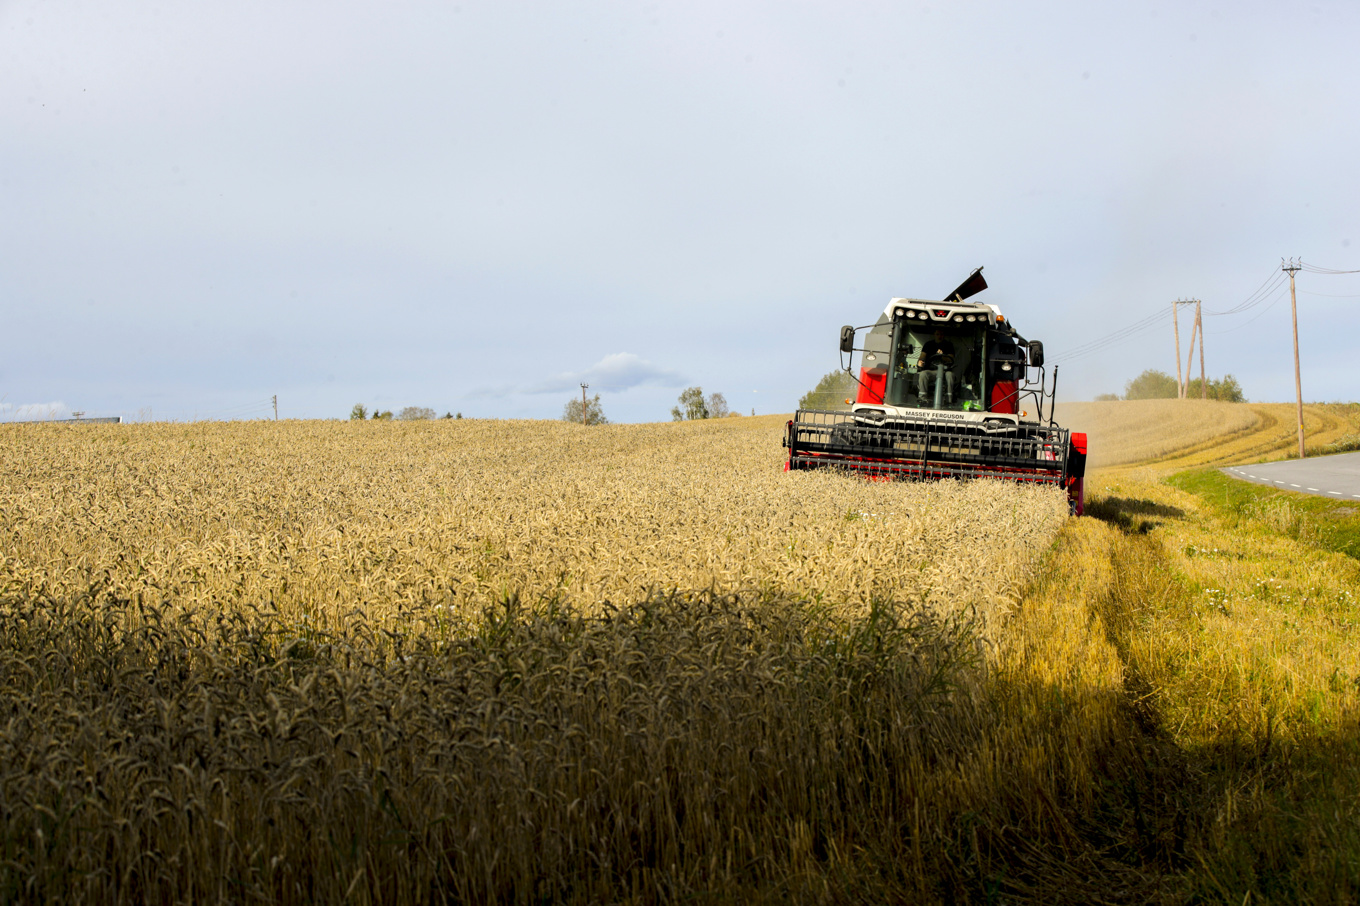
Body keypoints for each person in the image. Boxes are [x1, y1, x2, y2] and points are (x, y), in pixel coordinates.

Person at [917, 329, 955, 405]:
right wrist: (920, 361)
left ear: (943, 335)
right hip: (931, 371)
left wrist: (942, 356)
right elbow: (923, 355)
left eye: (941, 334)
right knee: (923, 374)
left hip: (945, 371)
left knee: (950, 375)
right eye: (937, 334)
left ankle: (949, 400)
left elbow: (951, 359)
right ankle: (922, 398)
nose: (939, 336)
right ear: (934, 335)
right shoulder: (928, 344)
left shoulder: (949, 345)